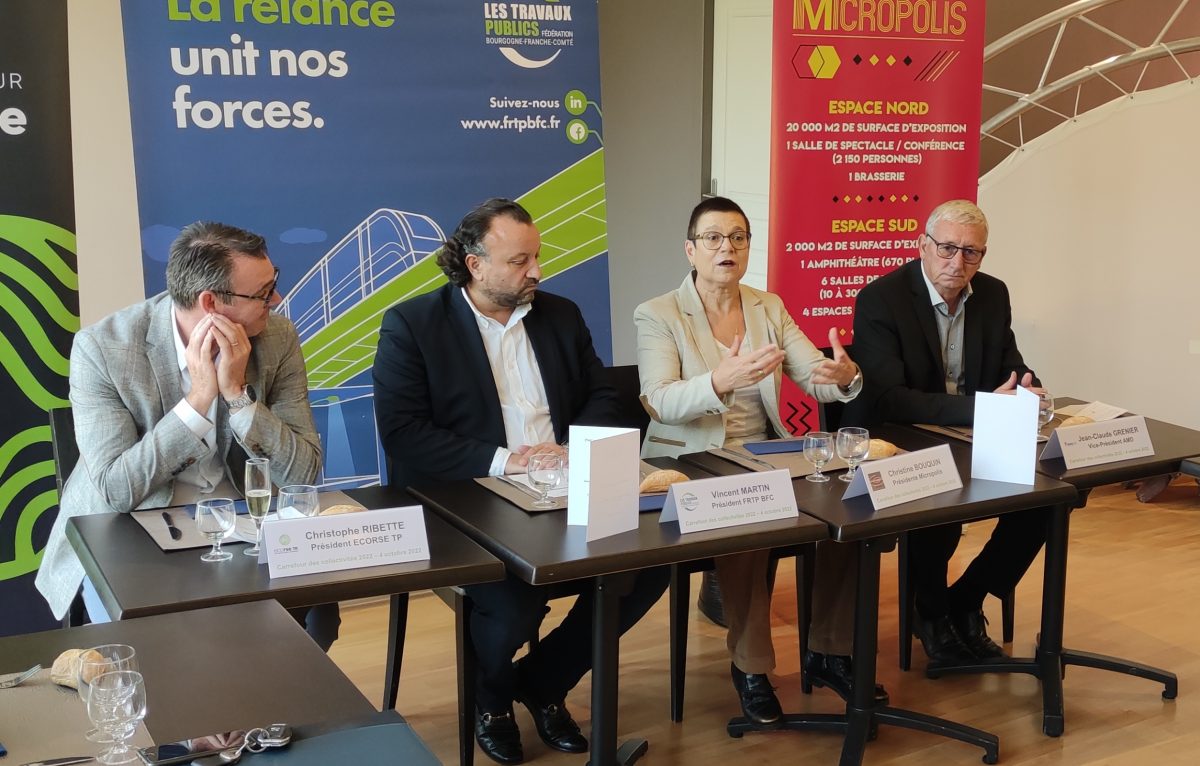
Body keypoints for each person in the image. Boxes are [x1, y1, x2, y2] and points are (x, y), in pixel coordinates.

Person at [372, 198, 669, 765]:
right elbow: (405, 435)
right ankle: (492, 698)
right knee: (513, 601)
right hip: (464, 497)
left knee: (647, 564)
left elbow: (604, 394)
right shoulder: (413, 325)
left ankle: (539, 680)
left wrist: (570, 449)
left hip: (562, 483)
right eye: (519, 260)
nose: (535, 271)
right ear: (473, 263)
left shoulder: (559, 313)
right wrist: (509, 461)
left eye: (536, 257)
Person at [634, 196, 883, 726]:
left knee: (848, 509)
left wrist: (843, 378)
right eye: (714, 238)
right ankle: (751, 667)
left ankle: (829, 650)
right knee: (752, 517)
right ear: (691, 249)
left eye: (739, 237)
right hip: (694, 457)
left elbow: (813, 369)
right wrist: (721, 381)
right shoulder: (658, 313)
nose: (728, 247)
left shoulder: (766, 306)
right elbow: (659, 399)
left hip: (767, 450)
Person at [35, 221, 339, 650]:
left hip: (238, 530)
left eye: (274, 284)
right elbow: (119, 490)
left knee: (308, 628)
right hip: (129, 535)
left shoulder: (277, 338)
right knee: (165, 650)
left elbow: (304, 471)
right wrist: (197, 401)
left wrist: (238, 397)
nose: (277, 300)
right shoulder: (102, 348)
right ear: (211, 302)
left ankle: (259, 714)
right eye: (263, 293)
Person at [844, 199, 1048, 665]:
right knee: (942, 505)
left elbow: (1010, 365)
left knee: (1044, 499)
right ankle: (931, 614)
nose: (958, 263)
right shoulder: (882, 298)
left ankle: (967, 597)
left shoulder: (992, 294)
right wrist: (983, 408)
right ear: (923, 246)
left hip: (968, 434)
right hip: (902, 438)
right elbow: (889, 398)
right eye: (947, 249)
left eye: (971, 253)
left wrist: (1028, 386)